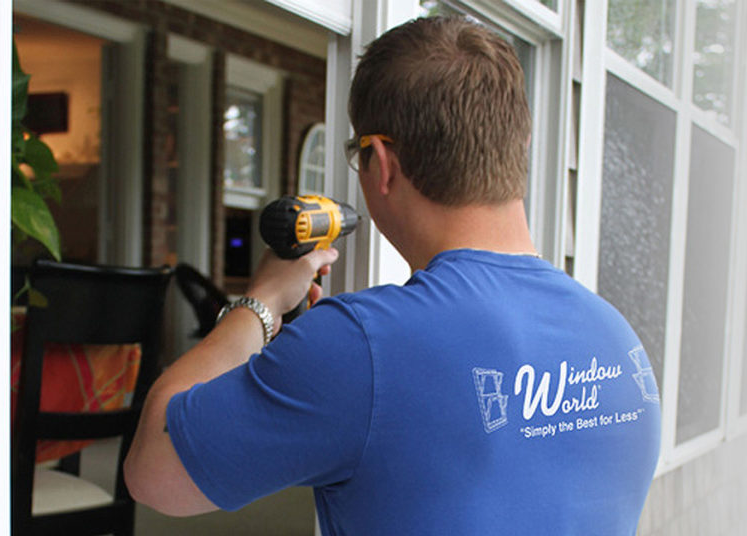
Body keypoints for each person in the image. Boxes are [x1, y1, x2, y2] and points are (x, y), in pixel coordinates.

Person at [125, 15, 661, 535]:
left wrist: (259, 304)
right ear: (519, 150)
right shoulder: (619, 345)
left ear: (381, 164)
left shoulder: (361, 344)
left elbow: (153, 470)